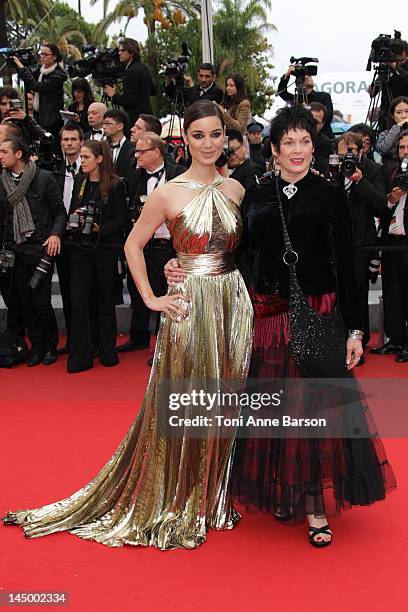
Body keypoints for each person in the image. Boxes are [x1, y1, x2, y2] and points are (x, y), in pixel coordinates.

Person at [2, 100, 253, 551]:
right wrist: (153, 298)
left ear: (226, 137)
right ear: (185, 140)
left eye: (216, 134)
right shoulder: (168, 192)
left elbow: (235, 248)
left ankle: (213, 492)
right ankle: (180, 495)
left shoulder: (235, 189)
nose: (209, 143)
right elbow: (134, 245)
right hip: (189, 305)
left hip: (233, 303)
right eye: (199, 135)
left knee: (224, 398)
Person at [165, 106, 396, 547]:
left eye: (305, 141)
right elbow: (239, 253)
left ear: (315, 147)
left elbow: (347, 267)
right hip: (268, 316)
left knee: (314, 413)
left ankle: (313, 504)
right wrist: (184, 262)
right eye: (288, 142)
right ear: (272, 149)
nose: (297, 150)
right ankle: (288, 492)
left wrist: (355, 330)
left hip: (318, 313)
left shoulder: (330, 195)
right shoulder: (256, 193)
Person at [0, 136, 67, 366]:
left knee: (41, 302)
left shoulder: (43, 178)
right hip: (14, 250)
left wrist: (56, 234)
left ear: (19, 154)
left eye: (4, 152)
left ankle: (51, 346)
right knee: (24, 303)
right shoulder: (2, 181)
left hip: (40, 248)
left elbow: (60, 212)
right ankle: (37, 347)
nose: (0, 156)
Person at [117, 131, 185, 354]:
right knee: (138, 293)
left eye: (141, 151)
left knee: (166, 294)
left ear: (157, 152)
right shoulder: (135, 177)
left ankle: (163, 346)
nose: (136, 155)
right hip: (144, 244)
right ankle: (138, 337)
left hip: (169, 247)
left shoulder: (178, 173)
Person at [66, 140, 128, 373]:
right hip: (80, 250)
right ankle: (81, 355)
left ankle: (107, 351)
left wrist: (98, 228)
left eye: (85, 157)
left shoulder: (115, 184)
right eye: (81, 157)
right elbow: (73, 209)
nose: (81, 161)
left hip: (105, 250)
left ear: (99, 159)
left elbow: (120, 219)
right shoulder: (80, 182)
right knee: (79, 301)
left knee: (104, 301)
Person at [335, 132, 388, 360]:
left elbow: (382, 206)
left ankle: (360, 341)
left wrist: (359, 180)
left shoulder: (373, 170)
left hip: (360, 243)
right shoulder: (332, 169)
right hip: (335, 242)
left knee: (357, 293)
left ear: (361, 151)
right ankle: (338, 340)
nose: (346, 158)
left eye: (351, 152)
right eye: (341, 154)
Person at [371, 130, 408, 362]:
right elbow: (382, 208)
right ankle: (395, 340)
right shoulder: (392, 172)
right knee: (392, 293)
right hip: (391, 242)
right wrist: (392, 199)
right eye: (402, 147)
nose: (405, 152)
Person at [53, 123, 84, 354]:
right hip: (61, 238)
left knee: (83, 292)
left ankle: (87, 340)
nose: (69, 143)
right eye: (66, 140)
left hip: (84, 240)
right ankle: (73, 340)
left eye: (73, 139)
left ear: (81, 141)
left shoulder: (90, 167)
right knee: (66, 290)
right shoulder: (55, 169)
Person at [13, 44, 68, 152]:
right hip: (39, 117)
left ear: (54, 57)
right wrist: (21, 64)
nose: (42, 56)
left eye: (45, 54)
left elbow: (36, 86)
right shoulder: (41, 70)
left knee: (51, 150)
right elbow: (28, 79)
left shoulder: (57, 76)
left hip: (51, 121)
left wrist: (22, 67)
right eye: (41, 54)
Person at [103, 38, 155, 134]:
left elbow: (130, 100)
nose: (119, 53)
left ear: (131, 52)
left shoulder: (131, 71)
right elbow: (153, 90)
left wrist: (113, 96)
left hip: (135, 121)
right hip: (147, 119)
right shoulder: (143, 67)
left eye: (123, 50)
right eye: (119, 51)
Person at [277, 63, 334, 139]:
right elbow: (281, 92)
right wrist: (287, 74)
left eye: (309, 76)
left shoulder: (323, 96)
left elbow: (329, 116)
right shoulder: (295, 99)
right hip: (302, 138)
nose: (308, 77)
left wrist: (309, 112)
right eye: (305, 76)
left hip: (323, 137)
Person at [376, 96, 408, 180]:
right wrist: (397, 127)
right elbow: (383, 149)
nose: (404, 116)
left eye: (407, 111)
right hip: (391, 176)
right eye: (399, 112)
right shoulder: (385, 134)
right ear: (392, 116)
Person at [103, 109, 134, 181]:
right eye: (103, 123)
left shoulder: (132, 148)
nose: (104, 127)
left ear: (120, 126)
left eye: (108, 123)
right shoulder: (103, 147)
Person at [310, 101, 332, 176]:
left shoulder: (324, 143)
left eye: (316, 122)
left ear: (323, 124)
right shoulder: (292, 136)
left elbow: (320, 168)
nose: (312, 124)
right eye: (310, 120)